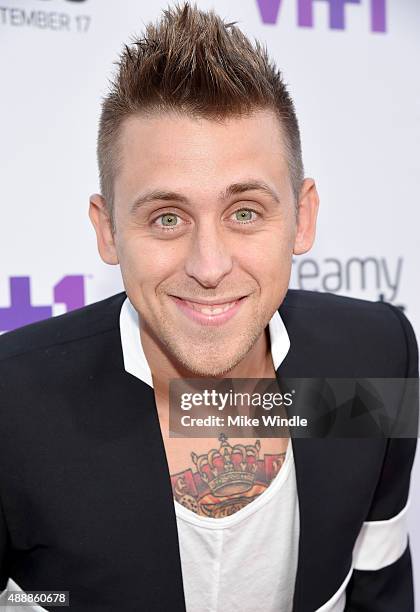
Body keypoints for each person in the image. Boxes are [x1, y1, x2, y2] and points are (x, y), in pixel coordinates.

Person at [0, 2, 418, 611]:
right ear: (109, 231)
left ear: (301, 219)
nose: (209, 266)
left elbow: (378, 586)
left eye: (245, 211)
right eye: (167, 218)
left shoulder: (372, 357)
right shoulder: (12, 407)